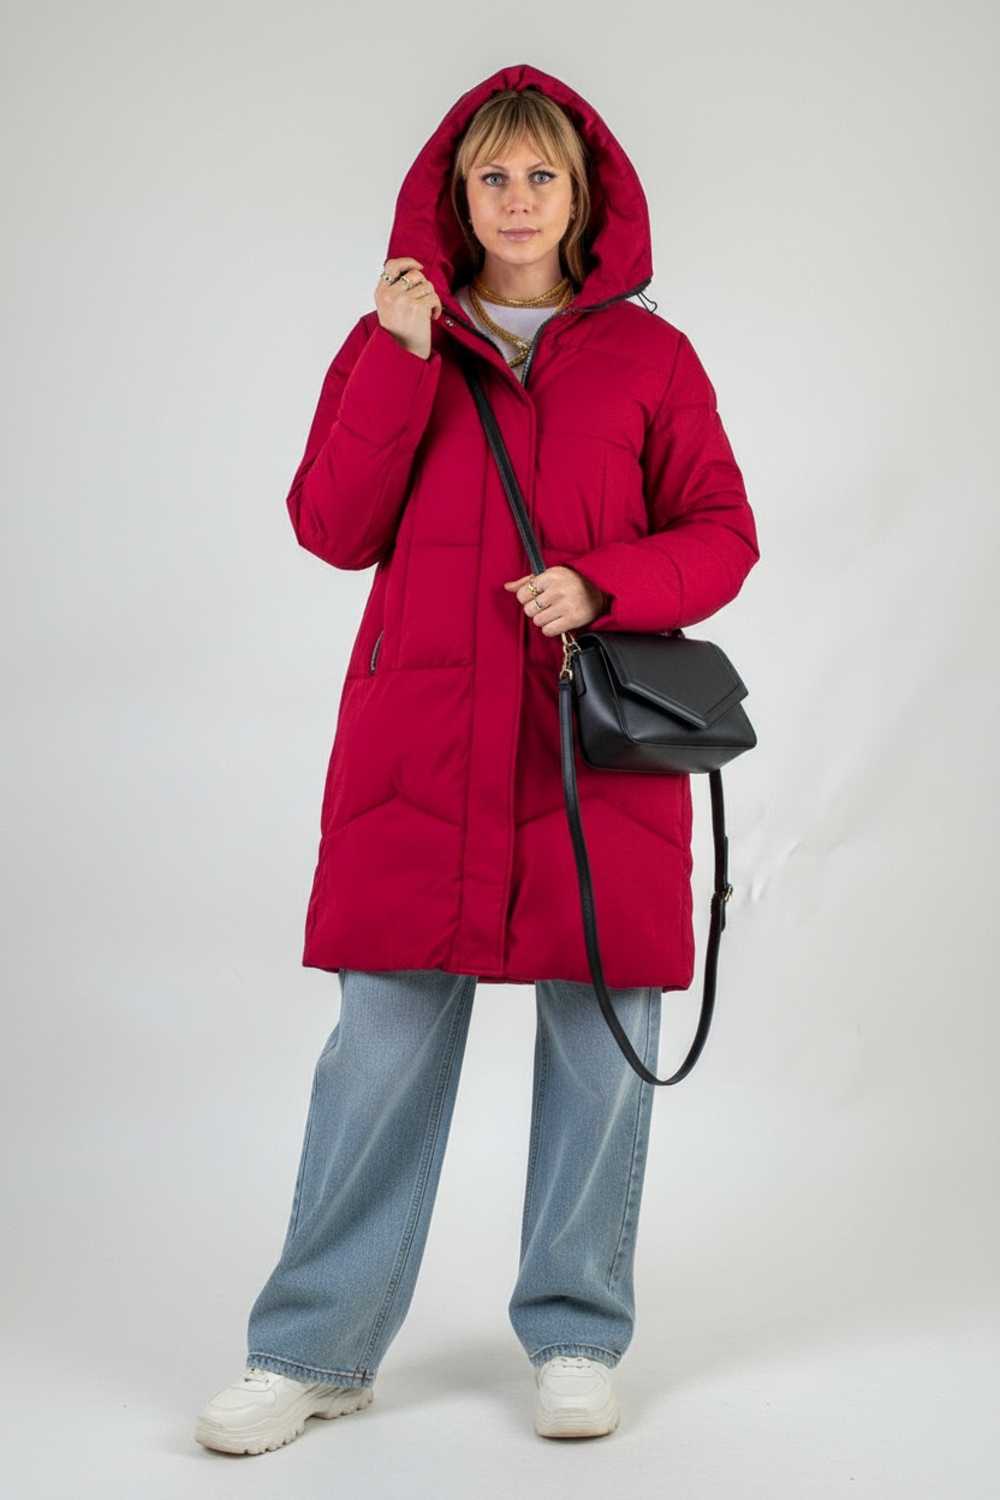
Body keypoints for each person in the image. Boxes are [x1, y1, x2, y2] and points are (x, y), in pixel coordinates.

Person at [195, 62, 758, 1452]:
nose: (516, 199)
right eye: (491, 176)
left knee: (601, 1052)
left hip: (593, 750)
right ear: (455, 195)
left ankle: (575, 1333)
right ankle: (312, 1349)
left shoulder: (652, 359)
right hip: (423, 749)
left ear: (584, 196)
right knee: (376, 1052)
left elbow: (722, 533)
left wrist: (604, 584)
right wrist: (397, 360)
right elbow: (332, 526)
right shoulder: (392, 340)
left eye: (540, 175)